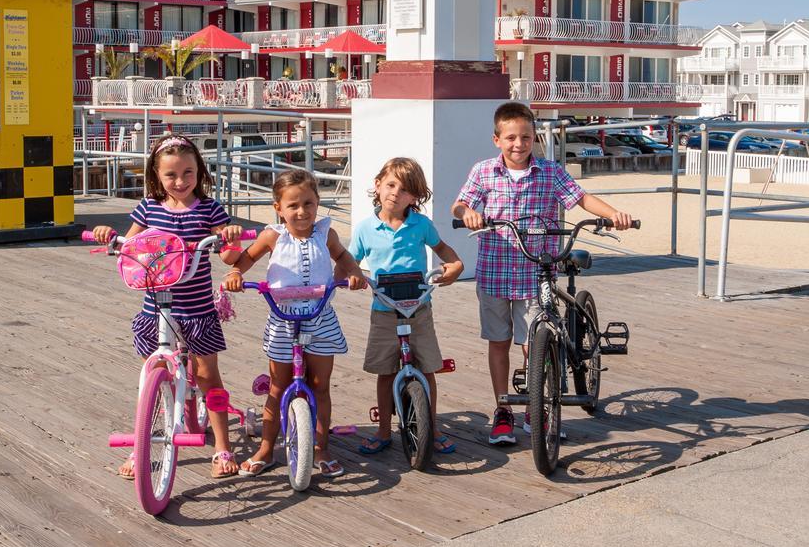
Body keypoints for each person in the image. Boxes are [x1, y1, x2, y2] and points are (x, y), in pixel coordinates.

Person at [451, 102, 634, 445]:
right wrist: (468, 213)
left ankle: (537, 408)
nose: (518, 144)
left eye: (525, 137)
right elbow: (460, 204)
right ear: (496, 139)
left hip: (537, 271)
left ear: (534, 137)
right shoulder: (484, 171)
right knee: (498, 342)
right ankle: (503, 408)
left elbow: (581, 199)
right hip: (495, 269)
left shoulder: (550, 172)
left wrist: (614, 214)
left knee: (533, 342)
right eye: (510, 138)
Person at [91, 135, 244, 480]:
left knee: (208, 377)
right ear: (156, 176)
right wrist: (109, 237)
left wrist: (229, 237)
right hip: (156, 307)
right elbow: (130, 244)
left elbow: (229, 255)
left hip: (197, 309)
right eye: (171, 175)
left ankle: (222, 445)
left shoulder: (209, 209)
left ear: (200, 172)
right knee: (152, 377)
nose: (180, 181)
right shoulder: (149, 207)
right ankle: (144, 441)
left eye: (188, 173)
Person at [223, 170, 365, 477]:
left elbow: (343, 256)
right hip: (283, 320)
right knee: (278, 387)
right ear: (278, 207)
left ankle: (320, 448)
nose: (302, 211)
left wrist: (353, 272)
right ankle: (266, 448)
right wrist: (236, 275)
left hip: (320, 317)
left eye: (309, 203)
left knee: (320, 386)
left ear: (318, 203)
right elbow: (245, 260)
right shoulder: (273, 236)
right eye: (293, 205)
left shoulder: (326, 233)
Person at [349, 157, 464, 456]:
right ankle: (384, 430)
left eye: (405, 190)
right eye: (390, 185)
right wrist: (352, 276)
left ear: (415, 197)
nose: (395, 194)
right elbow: (350, 261)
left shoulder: (420, 224)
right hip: (385, 309)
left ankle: (433, 428)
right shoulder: (365, 228)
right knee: (385, 371)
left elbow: (442, 249)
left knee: (427, 369)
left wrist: (454, 264)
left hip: (419, 307)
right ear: (377, 185)